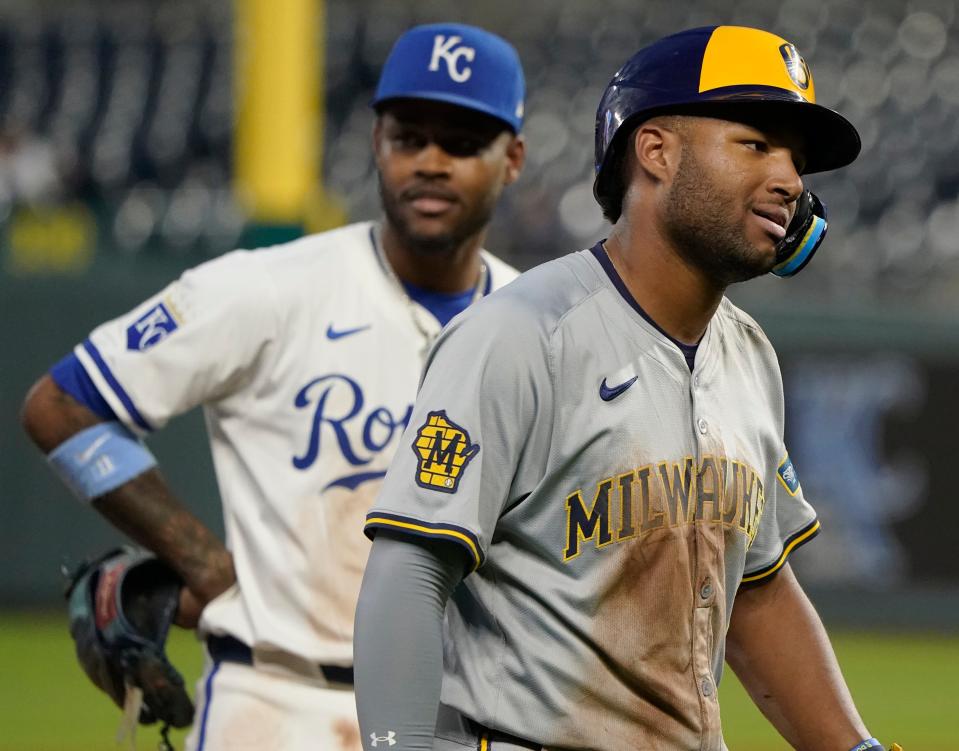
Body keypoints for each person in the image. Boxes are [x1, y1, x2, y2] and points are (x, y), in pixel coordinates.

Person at [354, 25, 902, 751]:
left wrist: (853, 747)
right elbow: (412, 568)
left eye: (796, 160)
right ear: (656, 151)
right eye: (755, 143)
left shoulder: (747, 354)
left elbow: (757, 592)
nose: (790, 182)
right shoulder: (520, 334)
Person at [20, 22, 526, 751]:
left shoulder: (537, 325)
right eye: (409, 136)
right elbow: (61, 404)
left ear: (511, 158)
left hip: (457, 715)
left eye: (461, 141)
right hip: (274, 704)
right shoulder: (271, 288)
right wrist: (200, 558)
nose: (431, 162)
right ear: (376, 139)